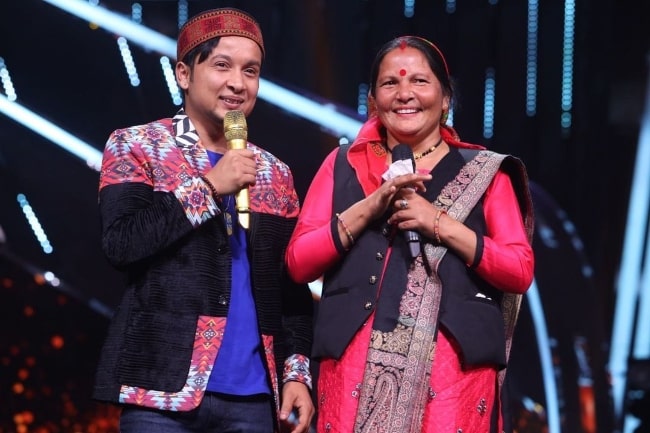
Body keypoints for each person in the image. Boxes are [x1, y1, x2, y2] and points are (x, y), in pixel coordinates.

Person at [285, 35, 535, 433]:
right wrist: (371, 207)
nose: (404, 94)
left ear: (446, 98)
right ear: (372, 102)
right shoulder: (342, 166)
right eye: (390, 83)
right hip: (352, 369)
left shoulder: (486, 173)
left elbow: (519, 270)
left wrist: (437, 222)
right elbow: (299, 263)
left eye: (420, 81)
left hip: (453, 377)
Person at [92, 7, 315, 433]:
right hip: (160, 389)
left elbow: (291, 291)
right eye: (221, 65)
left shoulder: (273, 171)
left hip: (253, 398)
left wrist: (296, 375)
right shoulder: (138, 145)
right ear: (183, 74)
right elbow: (122, 244)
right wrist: (209, 187)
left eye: (251, 71)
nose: (237, 82)